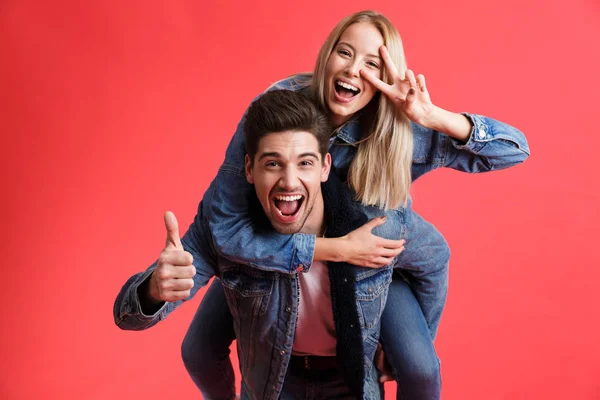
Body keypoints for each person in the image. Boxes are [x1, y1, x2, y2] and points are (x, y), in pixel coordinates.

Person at [180, 9, 530, 400]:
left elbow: (513, 151)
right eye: (345, 53)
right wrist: (332, 249)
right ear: (327, 54)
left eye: (372, 64)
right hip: (273, 250)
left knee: (420, 365)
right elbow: (223, 223)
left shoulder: (396, 128)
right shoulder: (280, 109)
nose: (353, 71)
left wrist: (431, 115)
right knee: (197, 348)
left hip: (367, 267)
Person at [114, 89, 408, 399]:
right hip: (273, 384)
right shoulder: (224, 233)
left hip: (352, 384)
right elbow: (127, 316)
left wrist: (404, 348)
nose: (289, 181)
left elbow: (436, 258)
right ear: (248, 169)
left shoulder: (376, 224)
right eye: (272, 164)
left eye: (304, 163)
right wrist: (153, 291)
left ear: (324, 167)